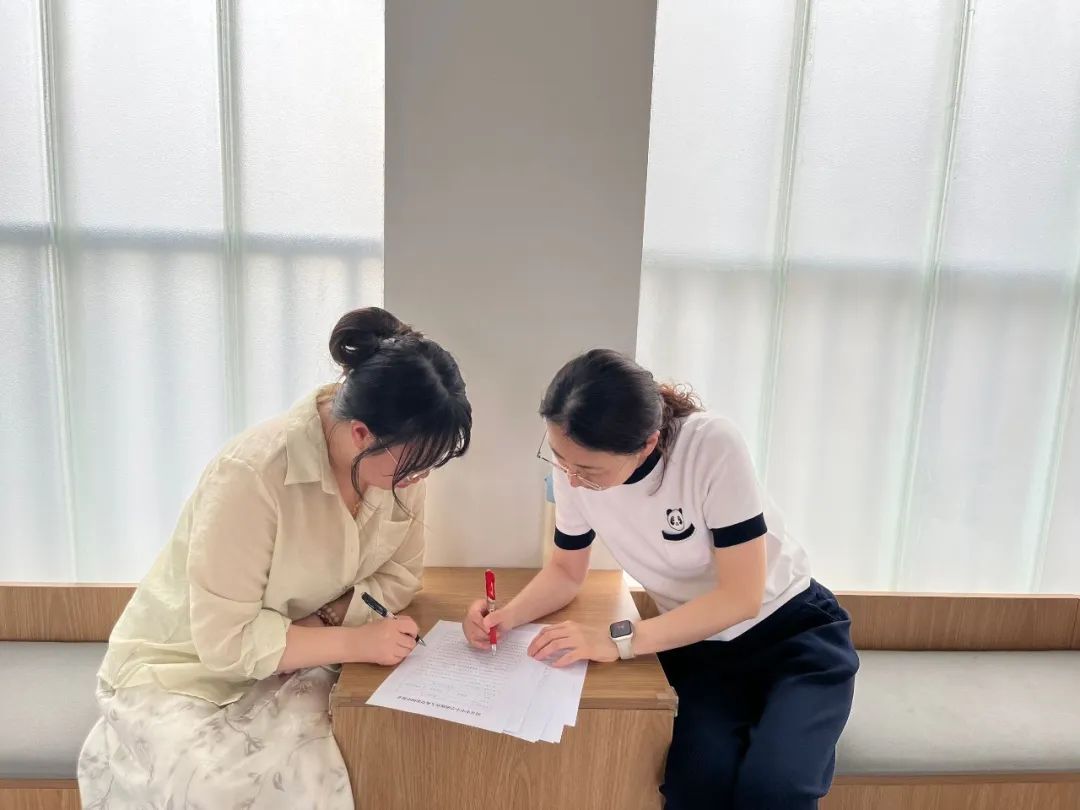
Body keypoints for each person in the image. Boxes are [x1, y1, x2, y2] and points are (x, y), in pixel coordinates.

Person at [78, 306, 471, 809]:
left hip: (294, 655)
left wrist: (324, 622)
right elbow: (224, 642)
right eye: (415, 465)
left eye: (430, 463)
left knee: (344, 760)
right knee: (219, 787)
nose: (420, 478)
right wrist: (354, 641)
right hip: (182, 669)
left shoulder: (396, 465)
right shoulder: (251, 475)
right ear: (361, 434)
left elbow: (400, 575)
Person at [464, 349, 857, 809]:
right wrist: (507, 617)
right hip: (699, 648)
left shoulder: (709, 446)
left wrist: (617, 640)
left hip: (793, 636)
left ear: (647, 444)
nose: (569, 477)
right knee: (695, 785)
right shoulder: (574, 470)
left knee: (775, 787)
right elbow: (566, 572)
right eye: (558, 457)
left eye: (588, 470)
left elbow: (741, 598)